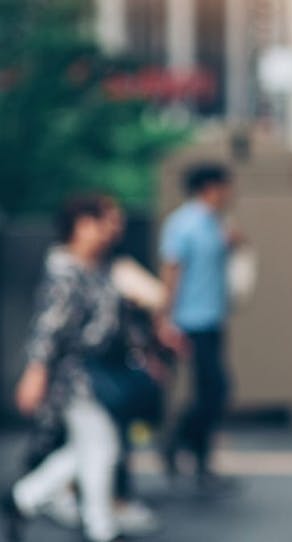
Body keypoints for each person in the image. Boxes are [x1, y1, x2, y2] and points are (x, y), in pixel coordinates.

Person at [2, 195, 131, 542]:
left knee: (90, 447)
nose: (114, 229)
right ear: (83, 224)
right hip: (75, 376)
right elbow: (48, 326)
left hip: (96, 371)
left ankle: (25, 497)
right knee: (101, 446)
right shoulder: (65, 270)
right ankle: (99, 526)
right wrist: (36, 371)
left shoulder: (98, 267)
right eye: (107, 221)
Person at [157, 162, 241, 490]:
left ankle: (192, 452)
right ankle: (183, 444)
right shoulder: (183, 224)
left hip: (212, 318)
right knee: (213, 389)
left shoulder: (216, 223)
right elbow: (172, 271)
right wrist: (165, 319)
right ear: (210, 188)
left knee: (212, 391)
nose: (230, 193)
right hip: (189, 321)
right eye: (225, 186)